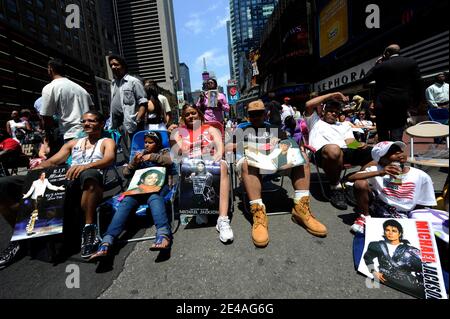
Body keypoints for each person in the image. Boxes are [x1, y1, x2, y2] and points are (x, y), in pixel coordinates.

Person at [0, 110, 116, 267]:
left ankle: (90, 228)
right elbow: (53, 161)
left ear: (101, 124)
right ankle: (20, 239)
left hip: (88, 178)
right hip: (66, 178)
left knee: (90, 174)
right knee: (4, 184)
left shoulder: (106, 141)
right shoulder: (73, 143)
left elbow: (109, 158)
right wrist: (39, 167)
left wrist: (85, 166)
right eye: (84, 121)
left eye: (92, 121)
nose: (86, 124)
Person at [230, 100, 327, 248]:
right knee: (246, 163)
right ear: (248, 115)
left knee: (303, 158)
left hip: (273, 162)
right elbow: (228, 147)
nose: (256, 116)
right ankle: (259, 215)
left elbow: (287, 144)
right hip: (250, 163)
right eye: (252, 114)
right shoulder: (241, 129)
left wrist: (279, 142)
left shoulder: (273, 128)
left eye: (259, 113)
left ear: (265, 114)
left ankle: (301, 209)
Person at [89, 131, 174, 260]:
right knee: (127, 201)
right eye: (145, 142)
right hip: (139, 188)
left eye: (150, 142)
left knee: (154, 198)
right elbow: (126, 173)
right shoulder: (139, 154)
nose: (147, 145)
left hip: (158, 187)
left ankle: (163, 235)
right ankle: (107, 241)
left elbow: (170, 161)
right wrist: (133, 163)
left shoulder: (164, 152)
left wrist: (152, 157)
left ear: (157, 143)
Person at [170, 104, 234, 243]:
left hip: (211, 160)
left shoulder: (211, 129)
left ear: (199, 113)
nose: (190, 116)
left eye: (193, 113)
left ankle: (222, 219)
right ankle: (201, 209)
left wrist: (216, 157)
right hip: (191, 162)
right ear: (183, 118)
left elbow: (219, 147)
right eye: (187, 115)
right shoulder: (181, 132)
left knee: (223, 166)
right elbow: (183, 150)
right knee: (189, 168)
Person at [347, 141, 436, 234]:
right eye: (391, 152)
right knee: (360, 183)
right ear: (381, 160)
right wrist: (380, 173)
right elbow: (350, 178)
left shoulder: (420, 175)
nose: (398, 153)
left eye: (400, 151)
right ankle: (365, 217)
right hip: (379, 207)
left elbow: (424, 203)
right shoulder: (377, 170)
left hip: (404, 212)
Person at [305, 92, 373, 210]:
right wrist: (333, 94)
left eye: (336, 112)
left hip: (345, 151)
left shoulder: (344, 125)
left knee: (376, 153)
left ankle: (350, 180)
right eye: (331, 111)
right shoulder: (315, 121)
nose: (334, 113)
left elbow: (350, 142)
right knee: (333, 149)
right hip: (323, 154)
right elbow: (308, 104)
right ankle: (335, 187)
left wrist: (359, 144)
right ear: (324, 112)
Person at [361, 44, 422, 142]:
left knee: (383, 131)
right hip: (401, 102)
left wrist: (377, 65)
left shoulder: (381, 66)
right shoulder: (411, 63)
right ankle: (396, 149)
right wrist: (415, 102)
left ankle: (385, 153)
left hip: (382, 103)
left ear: (387, 53)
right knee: (397, 129)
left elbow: (365, 79)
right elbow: (418, 84)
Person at [363, 219, 425, 299]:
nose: (390, 233)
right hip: (384, 278)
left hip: (407, 282)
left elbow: (421, 266)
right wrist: (373, 272)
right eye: (387, 230)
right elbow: (367, 258)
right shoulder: (376, 245)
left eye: (394, 231)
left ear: (400, 233)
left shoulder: (410, 249)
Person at [40, 59, 94, 145]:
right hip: (90, 134)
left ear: (50, 69)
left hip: (71, 135)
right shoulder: (81, 89)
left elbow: (46, 117)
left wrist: (47, 138)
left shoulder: (50, 87)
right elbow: (93, 110)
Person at [108, 55, 147, 161]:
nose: (113, 67)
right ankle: (130, 173)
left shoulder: (133, 81)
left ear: (123, 66)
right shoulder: (113, 83)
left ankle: (138, 173)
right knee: (126, 153)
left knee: (136, 152)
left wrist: (137, 119)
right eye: (111, 65)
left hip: (131, 122)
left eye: (116, 64)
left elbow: (143, 102)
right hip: (118, 124)